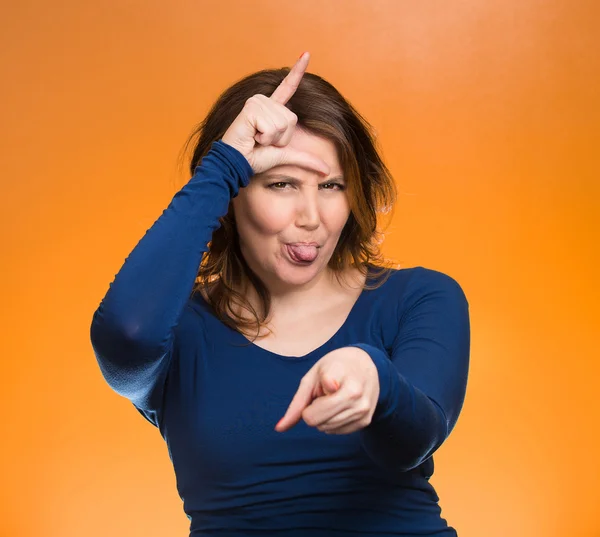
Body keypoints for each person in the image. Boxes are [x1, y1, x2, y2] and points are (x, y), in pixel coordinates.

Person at [90, 51, 471, 537]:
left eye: (332, 185)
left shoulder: (419, 298)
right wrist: (222, 166)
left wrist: (373, 376)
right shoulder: (179, 332)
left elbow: (414, 439)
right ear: (232, 196)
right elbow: (127, 335)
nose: (312, 216)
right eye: (282, 183)